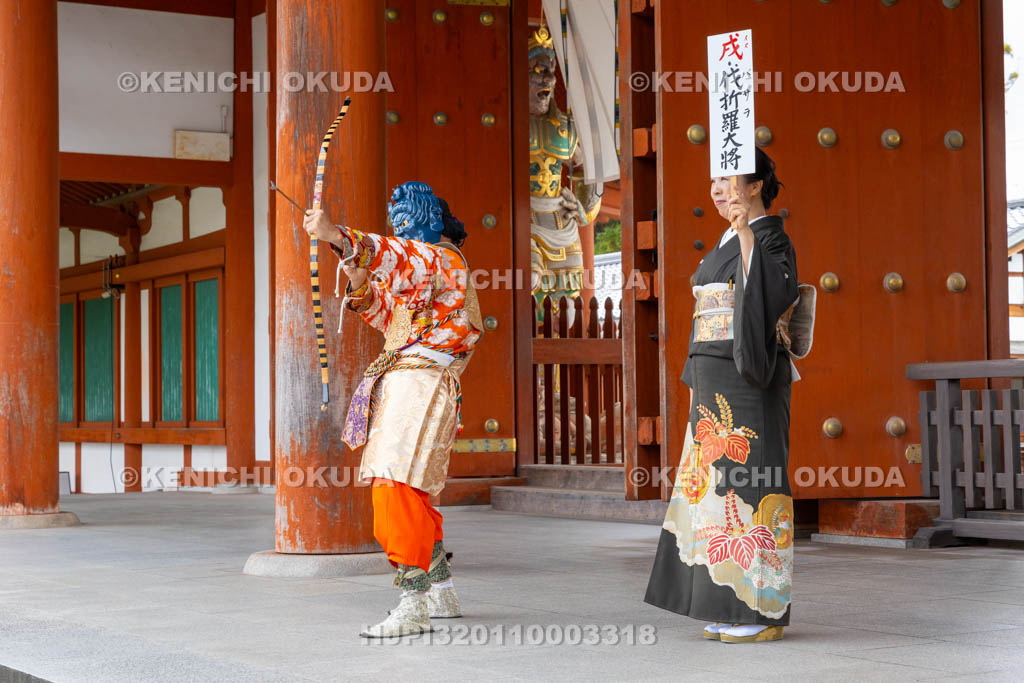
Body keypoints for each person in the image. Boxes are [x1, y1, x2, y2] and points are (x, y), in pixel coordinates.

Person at [302, 181, 483, 638]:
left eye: (406, 216)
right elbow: (390, 317)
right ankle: (440, 590)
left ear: (428, 218)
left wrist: (339, 235)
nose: (399, 225)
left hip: (421, 382)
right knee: (411, 487)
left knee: (393, 482)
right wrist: (359, 277)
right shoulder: (429, 271)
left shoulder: (442, 259)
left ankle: (412, 600)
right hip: (407, 380)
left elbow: (400, 258)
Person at [644, 148, 809, 643]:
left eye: (728, 178)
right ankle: (727, 601)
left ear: (755, 185)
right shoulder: (726, 240)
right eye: (714, 180)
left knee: (751, 482)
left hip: (749, 375)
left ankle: (759, 611)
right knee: (716, 489)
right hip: (716, 373)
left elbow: (773, 294)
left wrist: (745, 236)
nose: (718, 189)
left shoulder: (771, 237)